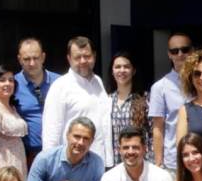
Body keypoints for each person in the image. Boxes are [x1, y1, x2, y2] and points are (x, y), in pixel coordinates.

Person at [43, 36, 114, 165]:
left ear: (94, 56)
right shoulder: (60, 87)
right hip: (74, 164)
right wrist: (50, 166)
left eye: (87, 56)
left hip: (101, 162)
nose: (83, 61)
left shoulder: (98, 82)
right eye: (77, 57)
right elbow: (51, 132)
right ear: (69, 59)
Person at [27, 117, 104, 181]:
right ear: (67, 135)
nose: (80, 142)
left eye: (86, 138)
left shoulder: (96, 164)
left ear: (92, 141)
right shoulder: (45, 159)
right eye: (76, 136)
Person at [12, 38, 61, 165]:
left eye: (36, 58)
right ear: (19, 59)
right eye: (26, 59)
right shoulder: (12, 85)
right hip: (30, 156)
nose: (32, 63)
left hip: (60, 153)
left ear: (43, 57)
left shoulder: (60, 82)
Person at [150, 31, 192, 170]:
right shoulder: (160, 87)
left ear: (192, 51)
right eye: (175, 51)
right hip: (174, 161)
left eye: (184, 49)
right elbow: (158, 128)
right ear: (169, 54)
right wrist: (158, 163)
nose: (180, 54)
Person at [107, 51, 150, 165]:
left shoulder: (145, 99)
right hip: (115, 164)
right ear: (112, 71)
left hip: (140, 162)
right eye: (117, 67)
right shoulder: (107, 100)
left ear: (133, 71)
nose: (122, 70)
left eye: (126, 67)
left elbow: (152, 133)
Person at [0, 65, 28, 172]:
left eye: (11, 80)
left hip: (19, 161)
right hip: (2, 163)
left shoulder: (13, 108)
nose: (7, 84)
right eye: (2, 80)